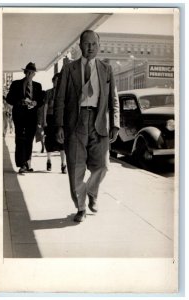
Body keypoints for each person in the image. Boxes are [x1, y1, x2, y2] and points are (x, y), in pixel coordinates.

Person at [54, 30, 120, 222]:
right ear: (80, 46)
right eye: (86, 44)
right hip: (75, 123)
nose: (90, 47)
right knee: (76, 168)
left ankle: (92, 191)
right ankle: (81, 208)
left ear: (98, 46)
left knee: (103, 166)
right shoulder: (69, 69)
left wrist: (115, 124)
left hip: (99, 122)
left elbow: (113, 99)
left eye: (93, 44)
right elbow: (60, 100)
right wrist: (58, 125)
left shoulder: (107, 69)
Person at [6, 62, 44, 173]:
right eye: (28, 72)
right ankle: (22, 164)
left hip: (32, 117)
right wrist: (20, 102)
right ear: (25, 72)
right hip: (19, 116)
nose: (30, 74)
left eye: (32, 73)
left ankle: (28, 162)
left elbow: (41, 101)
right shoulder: (16, 84)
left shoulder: (38, 86)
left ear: (34, 74)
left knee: (29, 139)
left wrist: (35, 103)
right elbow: (9, 99)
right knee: (20, 139)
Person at [39, 73, 67, 173]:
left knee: (62, 142)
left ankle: (63, 164)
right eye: (56, 81)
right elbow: (45, 107)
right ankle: (49, 160)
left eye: (59, 81)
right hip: (50, 119)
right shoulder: (48, 92)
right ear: (53, 81)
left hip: (61, 119)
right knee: (49, 140)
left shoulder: (64, 93)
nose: (57, 83)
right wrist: (44, 120)